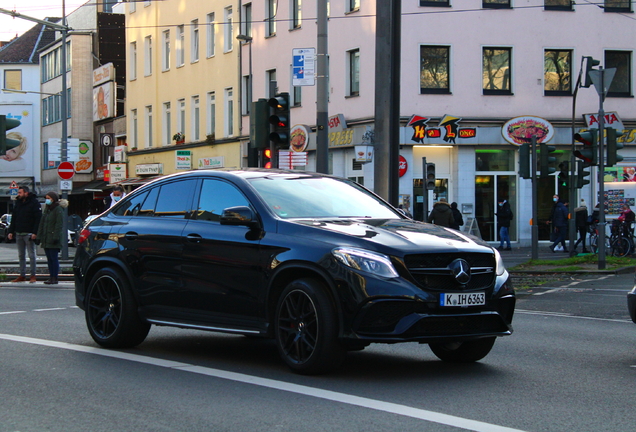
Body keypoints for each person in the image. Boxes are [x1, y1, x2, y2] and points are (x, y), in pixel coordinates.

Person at [7, 186, 42, 283]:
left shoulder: (34, 203)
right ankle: (22, 275)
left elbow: (38, 218)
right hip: (19, 232)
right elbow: (14, 218)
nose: (19, 194)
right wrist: (11, 231)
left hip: (29, 233)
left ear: (26, 193)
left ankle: (32, 275)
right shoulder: (18, 203)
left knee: (31, 255)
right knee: (21, 255)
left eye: (20, 192)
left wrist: (35, 232)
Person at [37, 191, 67, 285]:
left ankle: (55, 277)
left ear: (53, 199)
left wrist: (55, 237)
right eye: (46, 198)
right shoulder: (47, 209)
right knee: (49, 259)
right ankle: (51, 276)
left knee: (54, 259)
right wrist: (39, 236)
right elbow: (42, 223)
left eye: (48, 198)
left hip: (53, 238)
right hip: (46, 238)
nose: (47, 200)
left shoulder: (58, 209)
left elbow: (59, 225)